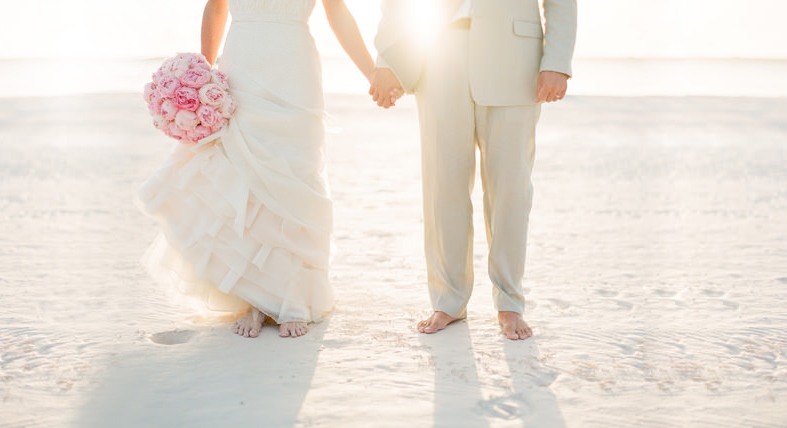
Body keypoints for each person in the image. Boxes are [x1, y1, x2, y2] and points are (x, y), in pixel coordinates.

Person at [137, 0, 374, 338]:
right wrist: (204, 76)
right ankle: (254, 298)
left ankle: (295, 296)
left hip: (294, 69)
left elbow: (336, 11)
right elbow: (216, 6)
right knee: (245, 172)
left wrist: (372, 73)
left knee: (296, 171)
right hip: (243, 65)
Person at [369, 0, 577, 340]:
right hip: (435, 55)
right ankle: (447, 300)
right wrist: (386, 59)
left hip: (515, 59)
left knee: (511, 187)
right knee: (443, 184)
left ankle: (510, 301)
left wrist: (556, 61)